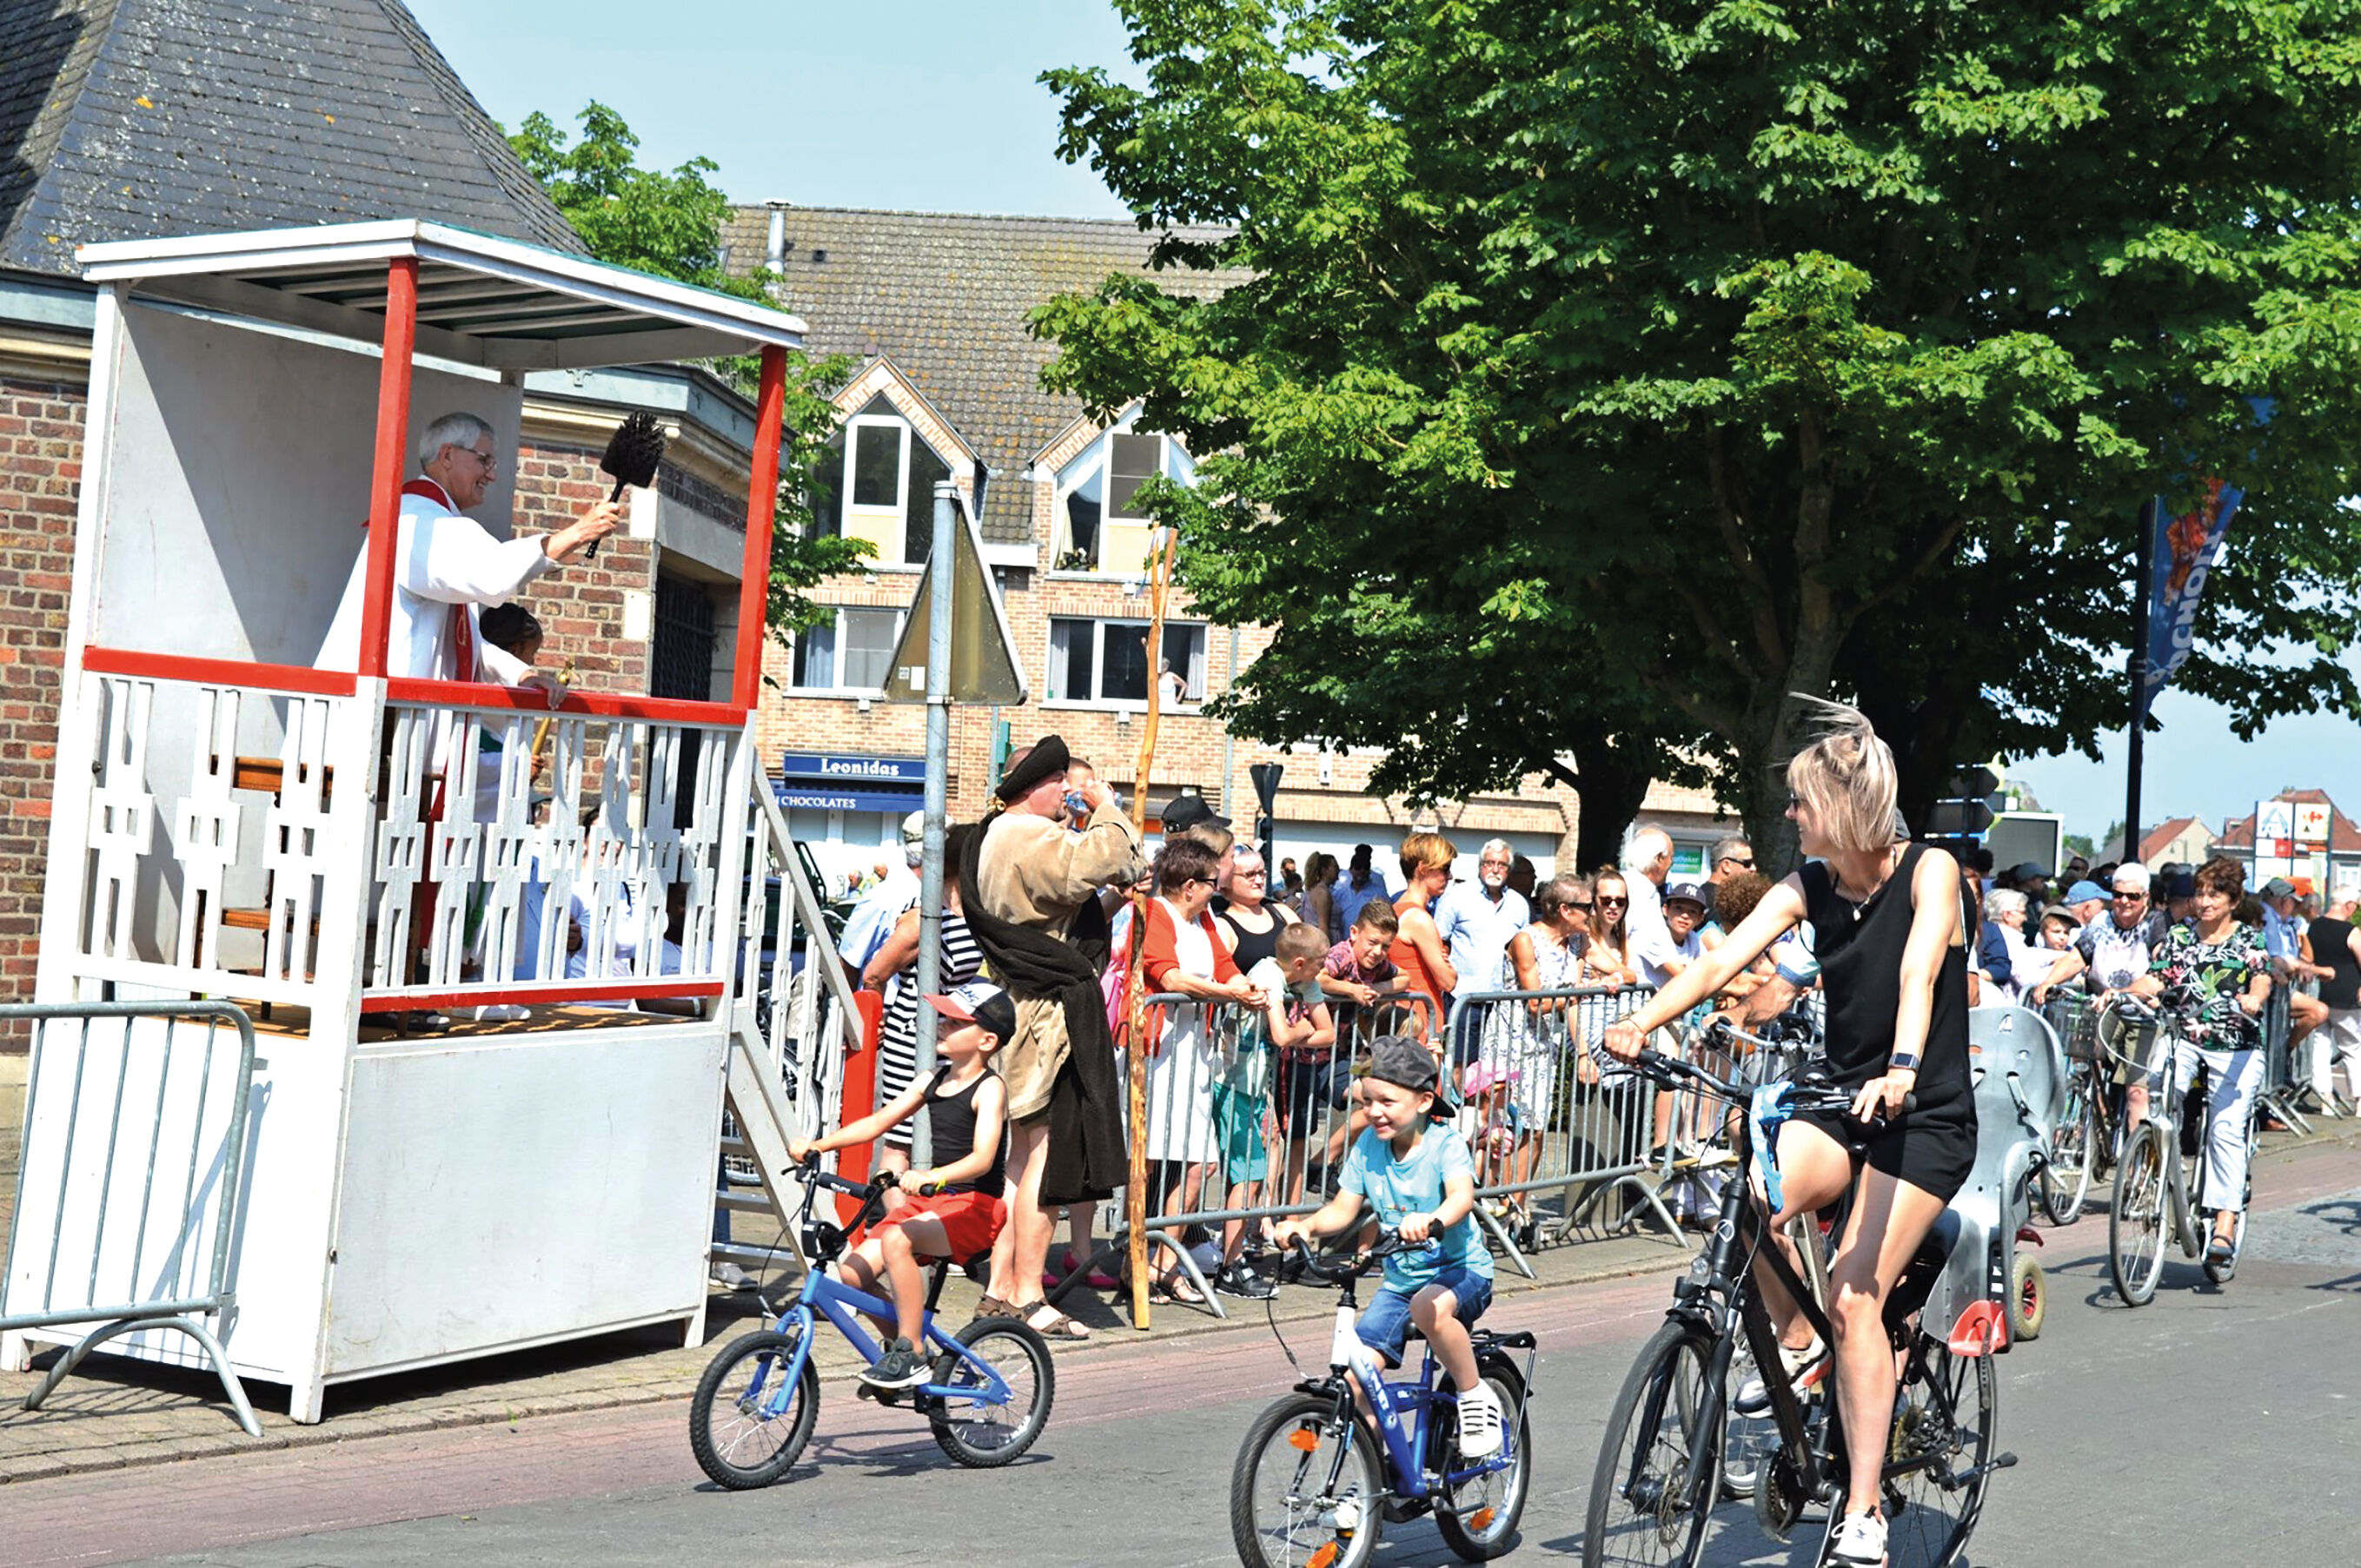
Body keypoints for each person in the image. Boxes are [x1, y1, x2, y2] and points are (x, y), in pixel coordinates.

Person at [1603, 699, 1977, 1568]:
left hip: (1920, 1112)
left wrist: (1901, 1065)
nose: (1788, 815)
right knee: (1763, 1195)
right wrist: (1640, 1023)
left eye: (1800, 801)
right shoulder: (1808, 882)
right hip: (1844, 1096)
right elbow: (1719, 960)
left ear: (1840, 807)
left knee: (1854, 1293)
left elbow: (1918, 971)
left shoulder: (1930, 872)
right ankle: (1799, 1347)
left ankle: (1861, 1506)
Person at [960, 736, 1145, 1343]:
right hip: (1045, 1015)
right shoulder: (1027, 835)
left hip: (1021, 1005)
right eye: (1062, 788)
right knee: (1048, 1157)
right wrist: (1106, 804)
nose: (1068, 801)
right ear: (1038, 786)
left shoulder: (993, 835)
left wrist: (1110, 901)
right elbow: (1114, 854)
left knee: (1021, 1160)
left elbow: (1062, 905)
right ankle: (1030, 1292)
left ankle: (1001, 1287)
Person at [1273, 1034, 1502, 1458]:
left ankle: (1473, 1395)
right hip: (1401, 1283)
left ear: (1423, 1101)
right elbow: (1343, 1209)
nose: (1374, 1112)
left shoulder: (1443, 1144)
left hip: (1460, 1271)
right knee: (1356, 1379)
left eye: (1387, 1101)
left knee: (1428, 1307)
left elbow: (1461, 1197)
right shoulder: (1368, 1147)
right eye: (1366, 1101)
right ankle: (1378, 1473)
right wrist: (1305, 1227)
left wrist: (1432, 1220)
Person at [788, 982, 1011, 1389]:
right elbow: (879, 1122)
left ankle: (913, 1351)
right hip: (932, 1204)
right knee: (852, 1272)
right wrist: (818, 1145)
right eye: (943, 1016)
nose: (942, 1024)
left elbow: (983, 1157)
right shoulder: (934, 1077)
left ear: (987, 1040)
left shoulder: (990, 1088)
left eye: (956, 1021)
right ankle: (901, 1349)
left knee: (895, 1242)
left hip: (974, 1206)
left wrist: (932, 1175)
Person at [315, 412, 616, 685]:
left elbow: (462, 638)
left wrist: (520, 675)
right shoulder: (419, 520)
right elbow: (493, 575)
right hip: (382, 721)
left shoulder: (429, 517)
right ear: (447, 455)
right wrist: (576, 533)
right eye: (484, 460)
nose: (492, 475)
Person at [1134, 836, 1263, 1303]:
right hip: (1159, 1053)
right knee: (1148, 1163)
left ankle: (1166, 1265)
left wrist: (1248, 987)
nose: (1218, 890)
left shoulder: (1204, 917)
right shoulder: (1154, 914)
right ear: (1189, 885)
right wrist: (1230, 994)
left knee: (1198, 1163)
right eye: (1213, 883)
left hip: (1197, 1052)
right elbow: (1169, 977)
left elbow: (1226, 967)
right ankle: (1137, 1258)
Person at [2126, 857, 2271, 1261]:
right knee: (2156, 1084)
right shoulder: (2180, 937)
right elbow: (2157, 977)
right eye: (2200, 894)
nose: (2204, 902)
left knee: (2224, 1129)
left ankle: (2225, 1220)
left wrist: (2253, 999)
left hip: (2236, 1045)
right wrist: (2125, 994)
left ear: (2232, 900)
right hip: (2185, 1036)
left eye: (2215, 894)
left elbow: (2261, 976)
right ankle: (2156, 1170)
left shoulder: (2248, 939)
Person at [862, 825, 985, 1190]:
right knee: (900, 1141)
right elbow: (874, 974)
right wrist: (877, 1020)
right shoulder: (922, 918)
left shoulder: (973, 913)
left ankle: (916, 1229)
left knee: (937, 1139)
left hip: (949, 1039)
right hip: (911, 1036)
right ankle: (891, 1228)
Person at [1217, 921, 1336, 1295]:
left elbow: (1328, 1033)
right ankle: (1229, 1265)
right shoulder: (1268, 975)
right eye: (1320, 964)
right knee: (1246, 1175)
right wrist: (1301, 1030)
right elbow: (1282, 1035)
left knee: (1250, 1172)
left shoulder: (1302, 980)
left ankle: (1231, 1254)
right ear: (1300, 963)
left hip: (1257, 1087)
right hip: (1233, 1083)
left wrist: (1296, 1027)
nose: (1324, 970)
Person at [1433, 838, 1530, 1065]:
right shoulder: (1456, 897)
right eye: (1489, 863)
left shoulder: (1519, 905)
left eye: (1502, 865)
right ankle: (1456, 1102)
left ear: (1509, 870)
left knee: (1495, 1068)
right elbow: (1438, 941)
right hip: (1464, 999)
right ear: (1480, 865)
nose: (1495, 869)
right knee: (1460, 1063)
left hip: (1503, 1003)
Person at [2033, 863, 2168, 1003]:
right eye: (2118, 895)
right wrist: (2048, 982)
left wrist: (2121, 995)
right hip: (2098, 1007)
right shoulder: (2102, 920)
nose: (2124, 901)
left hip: (2139, 1011)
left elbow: (2160, 970)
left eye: (2132, 896)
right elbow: (2076, 958)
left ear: (2145, 897)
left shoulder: (2156, 922)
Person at [840, 811, 926, 987]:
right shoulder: (882, 898)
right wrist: (854, 1013)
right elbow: (848, 964)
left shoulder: (946, 895)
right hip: (887, 1009)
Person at [1389, 833, 1460, 1042]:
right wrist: (1451, 969)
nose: (1449, 876)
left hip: (1400, 1017)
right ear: (1423, 868)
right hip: (1418, 1020)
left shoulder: (1395, 909)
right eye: (1444, 869)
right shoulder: (1419, 919)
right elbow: (1448, 981)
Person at [2300, 890, 2361, 1115]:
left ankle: (2325, 1099)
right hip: (2347, 996)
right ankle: (2359, 1101)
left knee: (2320, 1047)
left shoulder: (2314, 926)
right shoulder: (2351, 931)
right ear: (2348, 905)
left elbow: (2307, 956)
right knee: (2353, 1048)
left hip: (2318, 994)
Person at [1336, 844, 1389, 932]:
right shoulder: (1340, 893)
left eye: (1366, 868)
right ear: (1351, 870)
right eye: (1358, 867)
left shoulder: (1380, 893)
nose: (1362, 871)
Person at [1299, 850, 1342, 943]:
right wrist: (1326, 950)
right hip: (1322, 941)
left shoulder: (1314, 890)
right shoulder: (1322, 893)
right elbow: (1323, 925)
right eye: (1335, 867)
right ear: (1324, 870)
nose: (1338, 870)